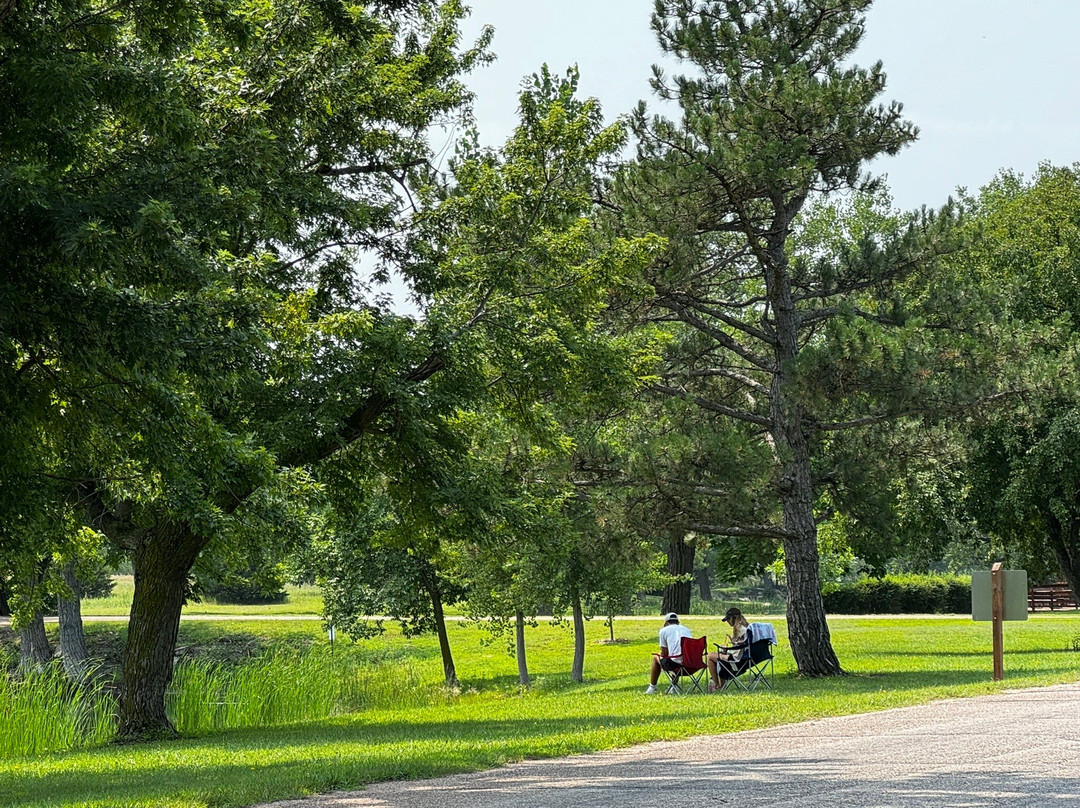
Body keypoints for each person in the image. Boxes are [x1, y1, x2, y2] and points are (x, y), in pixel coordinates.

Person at [645, 612, 693, 694]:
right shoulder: (687, 630)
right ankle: (673, 688)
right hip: (691, 665)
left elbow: (664, 653)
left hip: (676, 666)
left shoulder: (663, 631)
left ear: (666, 623)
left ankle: (652, 687)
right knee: (677, 657)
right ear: (678, 622)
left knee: (657, 658)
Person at [707, 607, 750, 692]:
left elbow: (740, 645)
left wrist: (728, 648)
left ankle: (717, 685)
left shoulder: (740, 629)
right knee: (719, 655)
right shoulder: (746, 627)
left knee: (709, 656)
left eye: (728, 619)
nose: (727, 622)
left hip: (736, 659)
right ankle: (721, 684)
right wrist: (733, 643)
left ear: (733, 618)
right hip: (744, 658)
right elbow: (742, 643)